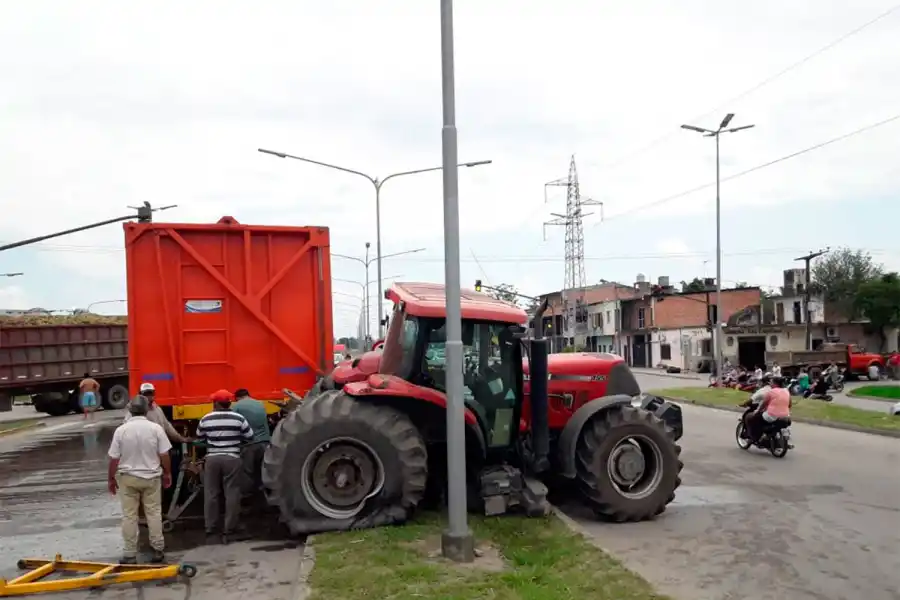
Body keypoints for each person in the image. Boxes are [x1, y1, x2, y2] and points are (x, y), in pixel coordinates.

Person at [107, 395, 172, 564]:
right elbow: (164, 454)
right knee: (154, 513)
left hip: (128, 479)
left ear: (130, 410)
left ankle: (129, 554)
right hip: (151, 478)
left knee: (129, 516)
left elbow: (114, 458)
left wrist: (111, 480)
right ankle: (158, 550)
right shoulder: (156, 428)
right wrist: (167, 473)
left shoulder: (121, 430)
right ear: (146, 410)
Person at [196, 389, 253, 543]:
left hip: (212, 459)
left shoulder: (206, 419)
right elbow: (249, 436)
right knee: (232, 493)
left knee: (211, 493)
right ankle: (229, 530)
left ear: (216, 403)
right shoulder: (239, 418)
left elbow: (200, 438)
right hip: (232, 458)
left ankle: (211, 529)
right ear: (229, 403)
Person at [231, 388, 271, 503]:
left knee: (247, 472)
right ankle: (266, 497)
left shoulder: (236, 406)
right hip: (264, 442)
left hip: (249, 444)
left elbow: (235, 425)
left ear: (237, 397)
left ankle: (248, 498)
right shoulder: (260, 403)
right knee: (263, 470)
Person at [126, 383, 190, 444]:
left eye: (150, 393)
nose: (148, 396)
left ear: (153, 394)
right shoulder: (133, 411)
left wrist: (180, 439)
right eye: (145, 394)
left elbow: (167, 426)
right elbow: (126, 430)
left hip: (159, 445)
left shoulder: (157, 409)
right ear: (140, 395)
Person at [746, 376, 792, 443]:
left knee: (752, 417)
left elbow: (763, 404)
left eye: (771, 382)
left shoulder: (771, 392)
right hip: (786, 416)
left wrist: (757, 411)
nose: (770, 384)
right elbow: (789, 404)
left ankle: (754, 438)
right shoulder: (786, 391)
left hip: (771, 415)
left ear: (775, 383)